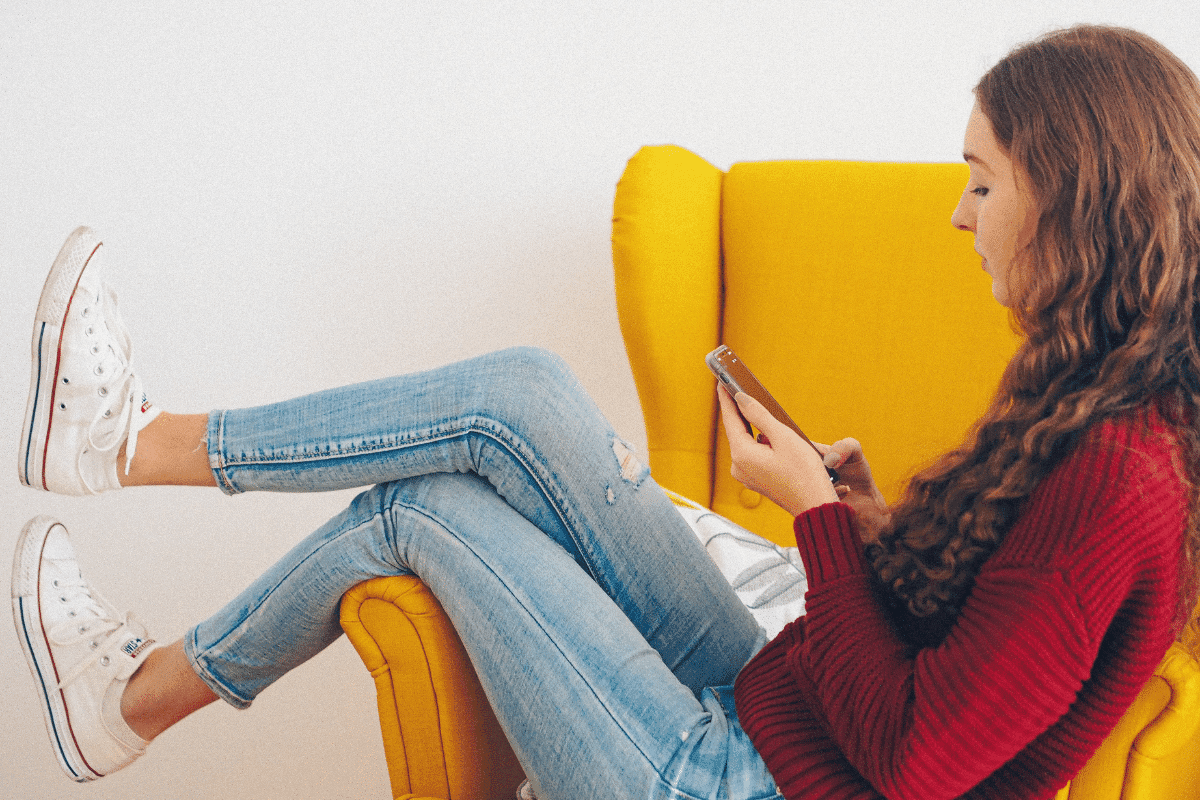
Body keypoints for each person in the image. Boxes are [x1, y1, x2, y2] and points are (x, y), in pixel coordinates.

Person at [12, 23, 1200, 800]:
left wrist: (814, 525)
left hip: (742, 780)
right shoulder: (1087, 391)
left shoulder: (1121, 469)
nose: (959, 215)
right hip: (782, 714)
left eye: (983, 181)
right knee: (520, 392)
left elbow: (922, 753)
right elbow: (976, 649)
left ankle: (129, 696)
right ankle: (130, 446)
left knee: (423, 509)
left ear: (1074, 198)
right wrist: (871, 522)